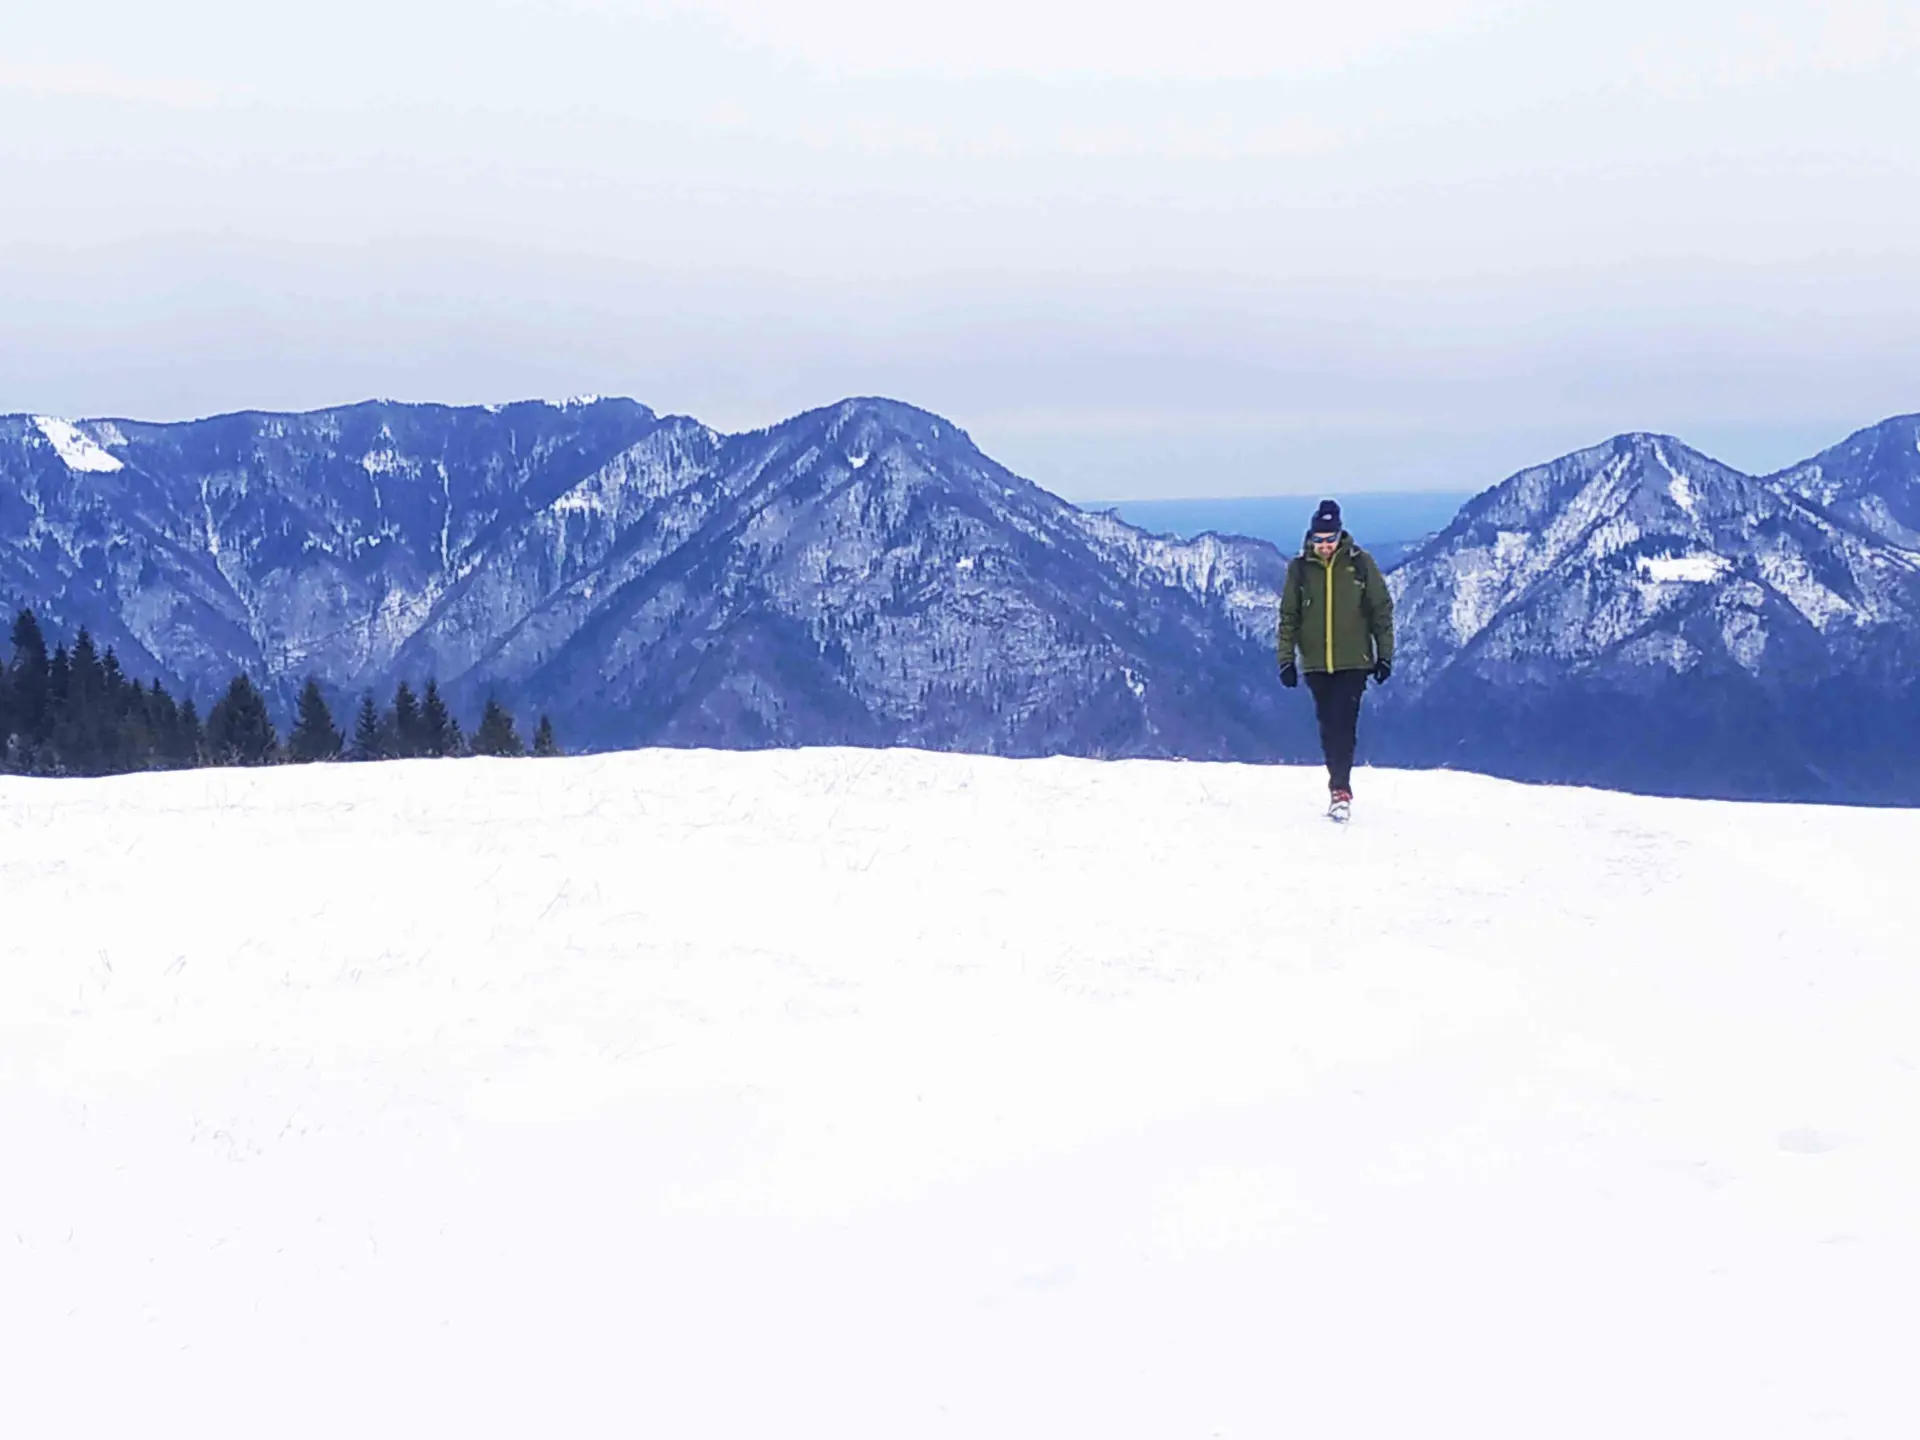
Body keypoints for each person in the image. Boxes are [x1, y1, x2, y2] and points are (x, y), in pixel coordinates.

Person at [1275, 499, 1395, 820]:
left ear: (1340, 536)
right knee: (1328, 726)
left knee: (1344, 722)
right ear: (1311, 537)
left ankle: (1341, 789)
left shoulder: (1360, 564)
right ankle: (1337, 784)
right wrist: (1286, 660)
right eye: (1319, 539)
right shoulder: (1300, 570)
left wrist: (1384, 655)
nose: (1325, 546)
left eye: (1330, 539)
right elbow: (1289, 616)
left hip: (1354, 661)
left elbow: (1380, 610)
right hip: (1316, 663)